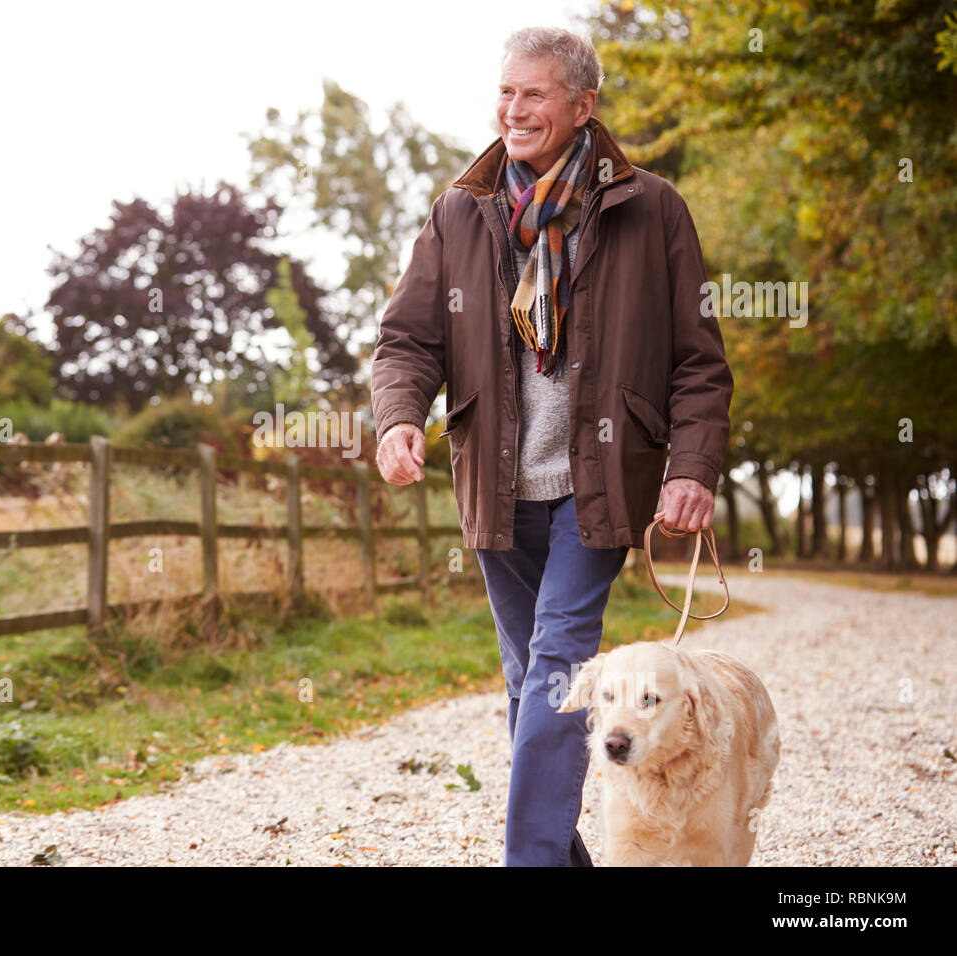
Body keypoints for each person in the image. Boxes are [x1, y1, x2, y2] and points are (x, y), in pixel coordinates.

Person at [369, 26, 733, 866]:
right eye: (506, 91)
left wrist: (691, 467)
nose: (514, 109)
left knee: (558, 668)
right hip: (496, 486)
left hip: (597, 486)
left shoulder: (652, 208)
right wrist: (397, 419)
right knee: (529, 687)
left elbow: (699, 361)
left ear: (583, 105)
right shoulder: (461, 212)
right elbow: (406, 341)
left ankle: (526, 861)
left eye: (534, 94)